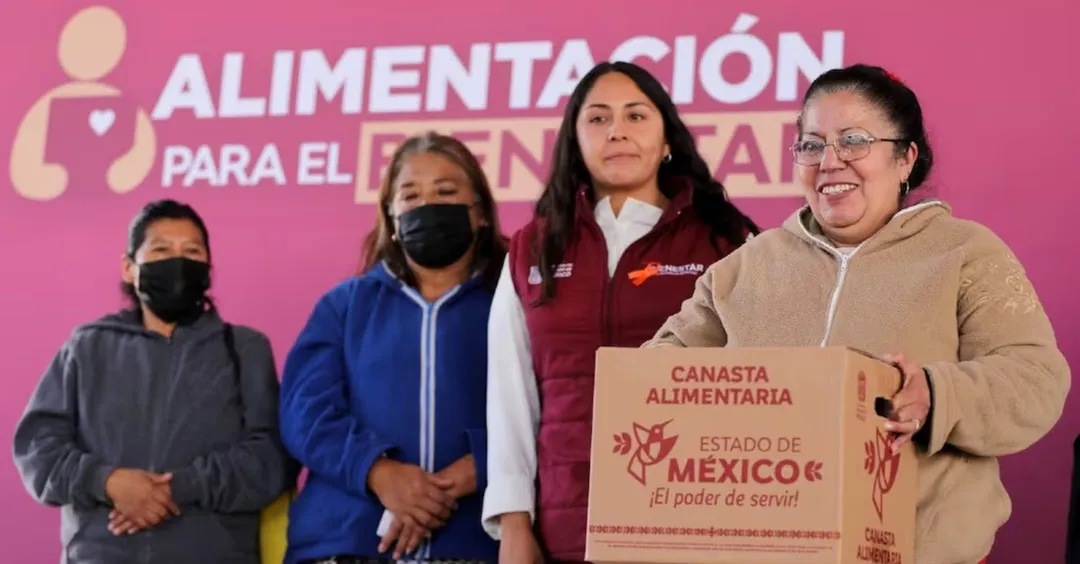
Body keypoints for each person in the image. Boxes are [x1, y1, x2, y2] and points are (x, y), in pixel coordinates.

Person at [643, 64, 1071, 564]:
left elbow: (1037, 380)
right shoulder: (745, 266)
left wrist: (936, 395)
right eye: (811, 144)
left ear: (905, 158)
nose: (830, 161)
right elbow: (656, 376)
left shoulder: (965, 253)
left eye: (854, 141)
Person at [482, 61, 760, 563]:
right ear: (575, 140)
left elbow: (762, 386)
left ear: (667, 137)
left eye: (636, 116)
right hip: (563, 527)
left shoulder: (728, 241)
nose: (617, 131)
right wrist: (514, 525)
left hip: (691, 525)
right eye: (598, 118)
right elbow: (510, 398)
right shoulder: (533, 249)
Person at [13, 199, 297, 564]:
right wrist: (108, 481)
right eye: (161, 249)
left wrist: (177, 488)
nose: (178, 262)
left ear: (208, 269)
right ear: (129, 268)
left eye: (192, 251)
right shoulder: (87, 346)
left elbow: (271, 457)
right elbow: (38, 448)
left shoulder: (245, 348)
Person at [279, 132, 507, 564]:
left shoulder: (518, 306)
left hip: (477, 544)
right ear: (392, 217)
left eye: (445, 192)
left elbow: (553, 409)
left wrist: (476, 467)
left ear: (479, 213)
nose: (427, 205)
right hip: (346, 543)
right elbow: (304, 413)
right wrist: (379, 472)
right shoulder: (344, 306)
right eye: (410, 196)